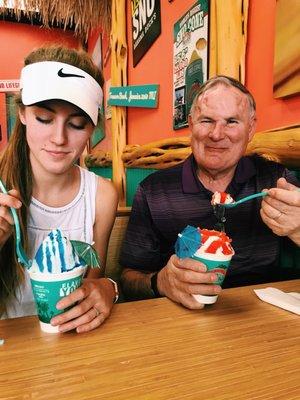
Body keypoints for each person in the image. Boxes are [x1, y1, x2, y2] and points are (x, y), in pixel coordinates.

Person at [119, 75, 300, 309]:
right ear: (192, 124)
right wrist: (160, 282)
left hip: (261, 318)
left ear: (251, 127)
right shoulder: (154, 191)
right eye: (207, 120)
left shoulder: (276, 181)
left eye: (232, 121)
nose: (216, 134)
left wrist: (298, 229)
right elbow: (129, 279)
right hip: (182, 319)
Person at [0, 46, 119, 332]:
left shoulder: (102, 196)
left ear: (92, 129)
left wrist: (108, 289)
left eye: (77, 124)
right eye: (44, 118)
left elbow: (92, 286)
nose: (59, 138)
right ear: (23, 114)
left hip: (71, 350)